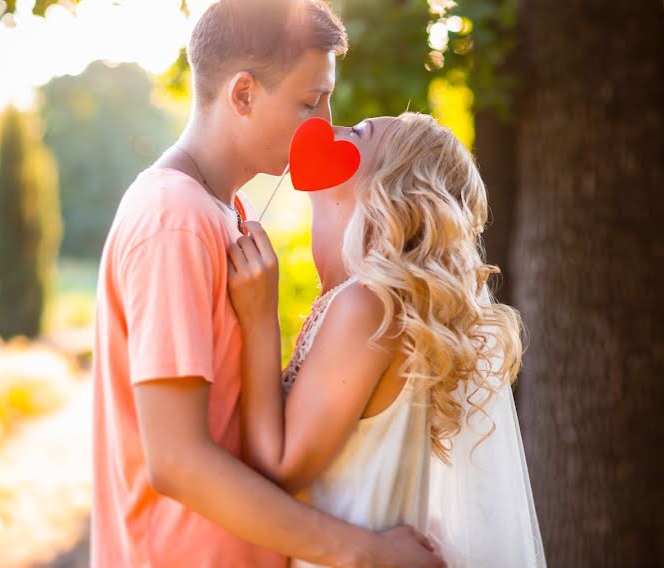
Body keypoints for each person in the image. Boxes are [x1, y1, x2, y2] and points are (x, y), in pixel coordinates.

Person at [90, 0, 443, 568]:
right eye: (311, 102)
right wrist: (369, 554)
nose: (325, 125)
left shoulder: (227, 213)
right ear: (245, 94)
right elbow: (176, 461)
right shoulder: (173, 218)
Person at [228, 112, 548, 567]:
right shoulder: (365, 303)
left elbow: (277, 467)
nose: (329, 127)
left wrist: (260, 317)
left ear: (391, 188)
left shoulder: (366, 306)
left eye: (359, 133)